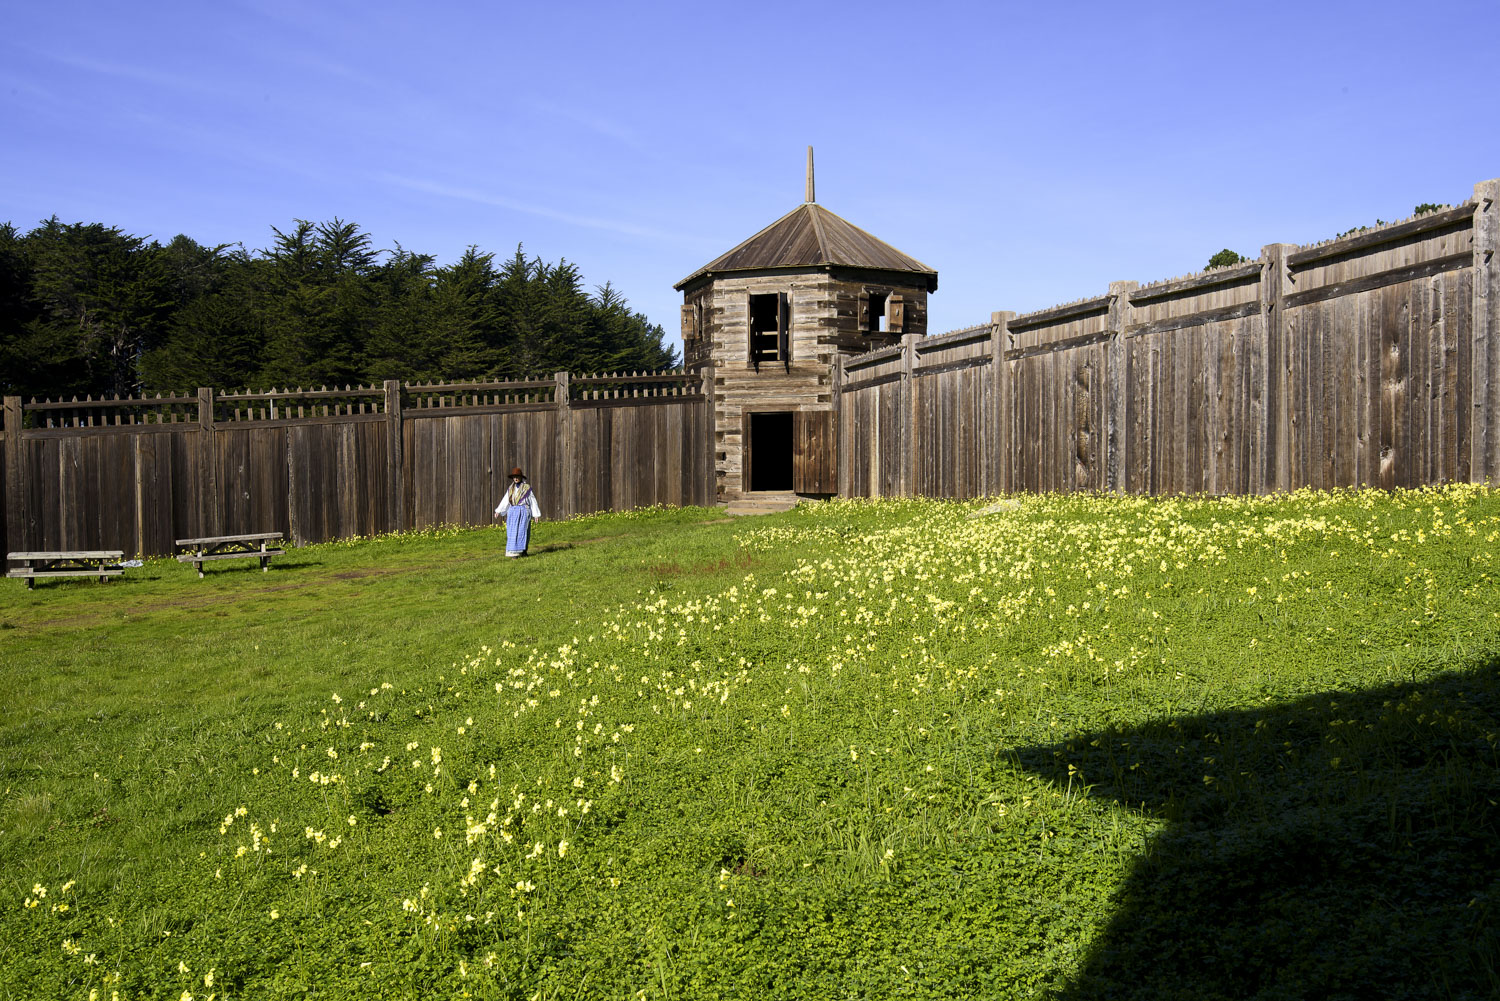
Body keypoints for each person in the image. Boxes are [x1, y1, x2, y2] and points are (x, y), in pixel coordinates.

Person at [493, 467, 542, 557]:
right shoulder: (511, 489)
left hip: (523, 511)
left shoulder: (526, 488)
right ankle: (513, 553)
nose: (515, 478)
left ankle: (523, 551)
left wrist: (536, 515)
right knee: (512, 532)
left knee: (523, 532)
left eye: (517, 476)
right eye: (514, 477)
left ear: (521, 477)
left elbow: (532, 501)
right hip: (513, 513)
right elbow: (506, 500)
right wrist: (498, 510)